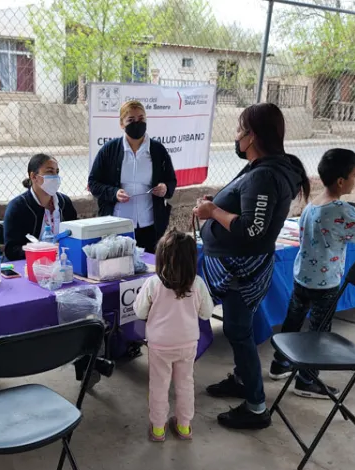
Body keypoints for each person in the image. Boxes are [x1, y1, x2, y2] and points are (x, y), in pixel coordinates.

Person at [194, 102, 310, 430]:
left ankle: (256, 406)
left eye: (239, 130)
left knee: (238, 330)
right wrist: (216, 205)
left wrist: (213, 213)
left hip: (241, 271)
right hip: (236, 267)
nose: (235, 137)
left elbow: (251, 229)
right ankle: (242, 380)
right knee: (236, 328)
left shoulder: (266, 176)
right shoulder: (262, 167)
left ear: (252, 136)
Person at [270, 148, 355, 398]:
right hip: (326, 283)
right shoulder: (342, 210)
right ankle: (307, 380)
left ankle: (280, 363)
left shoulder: (313, 204)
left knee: (293, 320)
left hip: (302, 276)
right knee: (318, 330)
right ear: (341, 181)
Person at [134, 230, 213, 442]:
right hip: (187, 343)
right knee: (185, 383)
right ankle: (184, 426)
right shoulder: (197, 284)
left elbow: (140, 312)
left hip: (159, 345)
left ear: (160, 257)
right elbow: (206, 313)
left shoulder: (153, 283)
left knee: (158, 385)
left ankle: (158, 429)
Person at [88, 100, 177, 253]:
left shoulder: (158, 150)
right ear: (122, 124)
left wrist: (165, 188)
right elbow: (93, 183)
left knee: (149, 268)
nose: (137, 123)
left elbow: (171, 180)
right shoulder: (109, 150)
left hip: (150, 225)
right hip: (117, 225)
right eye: (131, 120)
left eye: (141, 119)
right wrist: (113, 193)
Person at [3, 153, 78, 261]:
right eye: (49, 171)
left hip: (61, 261)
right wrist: (40, 250)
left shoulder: (64, 202)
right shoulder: (18, 207)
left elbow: (75, 234)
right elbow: (11, 250)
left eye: (56, 172)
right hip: (28, 265)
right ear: (33, 176)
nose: (55, 177)